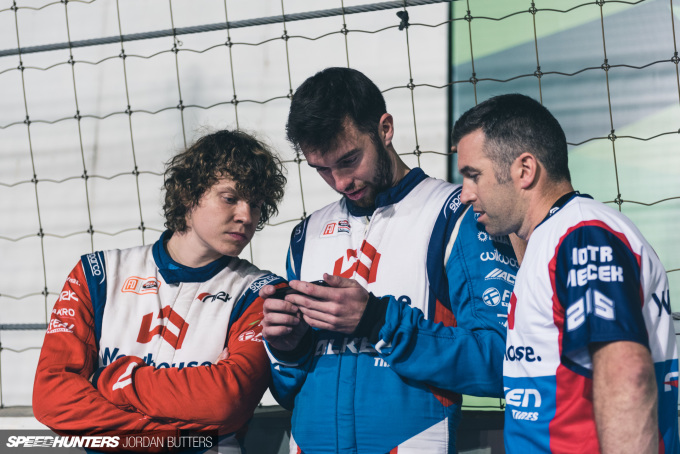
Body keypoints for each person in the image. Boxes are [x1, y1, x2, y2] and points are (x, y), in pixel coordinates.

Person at [260, 67, 519, 453]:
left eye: (349, 160)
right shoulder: (306, 234)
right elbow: (288, 391)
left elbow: (503, 361)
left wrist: (378, 321)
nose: (340, 182)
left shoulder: (457, 216)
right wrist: (288, 349)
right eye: (322, 169)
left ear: (385, 129)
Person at [33, 129, 288, 453]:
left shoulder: (263, 292)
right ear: (188, 194)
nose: (246, 216)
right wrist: (168, 436)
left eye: (256, 204)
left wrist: (111, 381)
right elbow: (51, 396)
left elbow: (227, 401)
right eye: (230, 198)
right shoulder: (96, 273)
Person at [452, 93, 680, 454]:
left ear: (525, 170)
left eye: (473, 175)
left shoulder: (582, 235)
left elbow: (628, 376)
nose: (465, 194)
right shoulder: (555, 235)